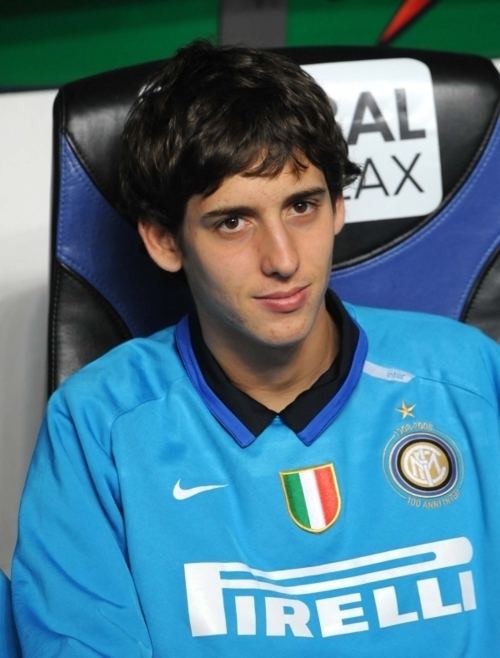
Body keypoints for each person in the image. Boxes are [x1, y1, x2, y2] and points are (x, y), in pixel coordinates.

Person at [12, 41, 500, 657]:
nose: (284, 259)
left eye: (302, 206)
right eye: (232, 222)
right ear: (165, 240)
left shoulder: (471, 375)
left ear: (340, 206)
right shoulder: (97, 426)